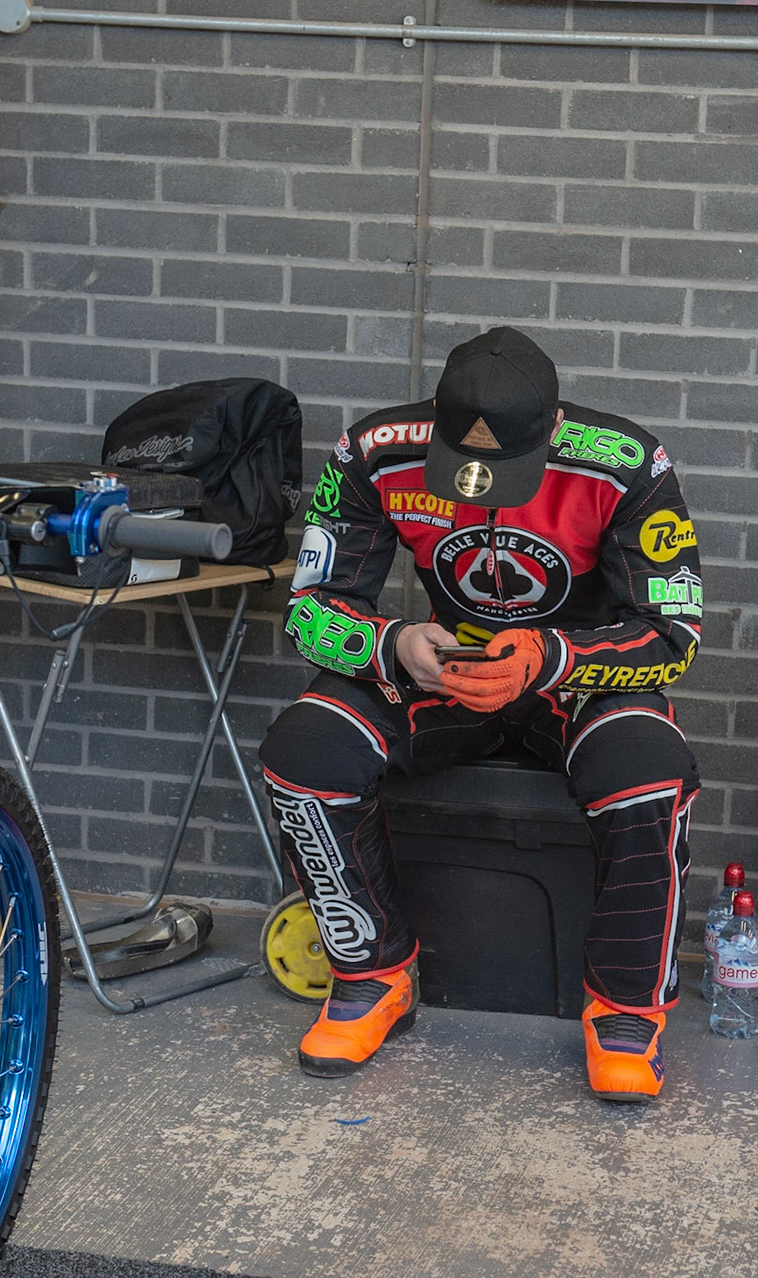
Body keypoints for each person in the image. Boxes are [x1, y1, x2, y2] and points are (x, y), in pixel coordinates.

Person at [258, 326, 703, 1104]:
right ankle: (371, 974)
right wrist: (390, 642)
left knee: (648, 773)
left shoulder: (628, 464)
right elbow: (309, 610)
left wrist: (548, 657)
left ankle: (627, 1012)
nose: (478, 485)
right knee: (306, 747)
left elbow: (674, 637)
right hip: (446, 672)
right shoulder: (373, 451)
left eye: (507, 473)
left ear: (555, 426)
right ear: (435, 418)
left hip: (575, 679)